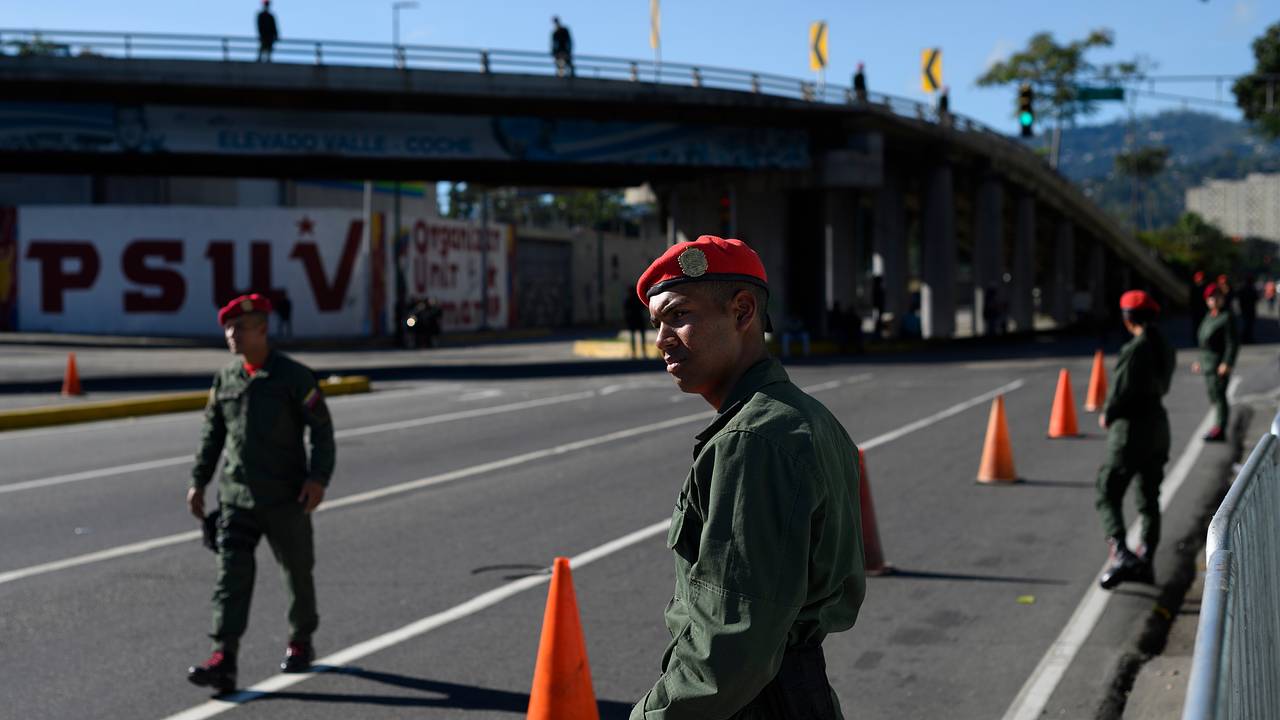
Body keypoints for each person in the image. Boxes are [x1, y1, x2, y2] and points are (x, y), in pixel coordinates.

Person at [630, 235, 865, 720]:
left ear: (741, 312)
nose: (660, 339)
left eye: (678, 315)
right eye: (657, 323)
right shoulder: (803, 415)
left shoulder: (754, 439)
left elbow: (730, 646)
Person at [186, 293, 336, 694]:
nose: (230, 335)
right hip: (237, 497)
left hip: (286, 497)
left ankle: (301, 639)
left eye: (238, 327)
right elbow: (212, 434)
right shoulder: (226, 379)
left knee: (297, 572)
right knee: (230, 577)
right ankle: (224, 658)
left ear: (262, 329)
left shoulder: (293, 377)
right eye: (227, 328)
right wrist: (198, 480)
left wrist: (318, 479)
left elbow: (322, 430)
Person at [1095, 290, 1175, 590]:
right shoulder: (1164, 346)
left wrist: (1107, 413)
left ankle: (1122, 554)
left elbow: (1119, 392)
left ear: (1128, 319)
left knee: (1107, 490)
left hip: (1132, 431)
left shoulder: (1135, 349)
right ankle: (1145, 561)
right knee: (1149, 497)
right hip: (1158, 426)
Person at [1194, 283, 1238, 443]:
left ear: (1222, 299)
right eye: (1210, 298)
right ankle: (1217, 425)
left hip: (1218, 363)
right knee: (1213, 395)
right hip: (1207, 363)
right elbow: (1203, 341)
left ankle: (1220, 428)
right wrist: (1199, 360)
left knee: (1219, 396)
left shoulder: (1226, 317)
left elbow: (1232, 343)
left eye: (1216, 297)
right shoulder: (1209, 316)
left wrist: (1227, 362)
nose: (1213, 301)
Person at [624, 288, 648, 359]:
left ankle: (640, 352)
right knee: (635, 337)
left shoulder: (630, 300)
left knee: (640, 337)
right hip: (635, 320)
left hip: (637, 320)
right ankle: (635, 352)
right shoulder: (630, 300)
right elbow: (626, 312)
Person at [1237, 274, 1258, 343]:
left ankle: (1247, 338)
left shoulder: (1244, 288)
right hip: (1249, 309)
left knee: (1248, 324)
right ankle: (1246, 338)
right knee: (1248, 324)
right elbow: (1256, 298)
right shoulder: (1250, 289)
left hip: (1246, 309)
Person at [1189, 271, 1207, 339]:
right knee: (1196, 325)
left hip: (1203, 309)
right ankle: (1196, 337)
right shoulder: (1193, 288)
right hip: (1196, 310)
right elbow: (1191, 300)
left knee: (1203, 324)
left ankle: (1202, 337)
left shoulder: (1204, 287)